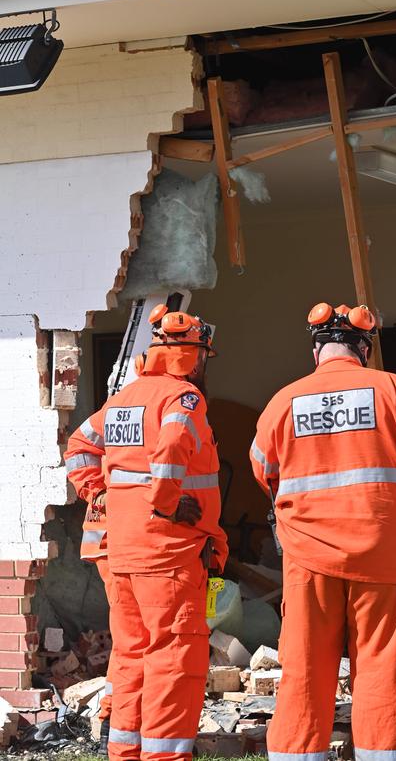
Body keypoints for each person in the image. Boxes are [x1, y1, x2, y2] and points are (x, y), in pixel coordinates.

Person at [250, 302, 396, 761]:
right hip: (385, 553)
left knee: (305, 666)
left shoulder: (284, 400)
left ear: (316, 349)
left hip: (308, 558)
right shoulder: (394, 390)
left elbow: (262, 466)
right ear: (363, 348)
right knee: (385, 665)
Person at [65, 306, 228, 761]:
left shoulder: (122, 401)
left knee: (133, 654)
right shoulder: (183, 399)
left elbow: (79, 446)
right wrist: (169, 501)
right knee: (174, 657)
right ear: (192, 358)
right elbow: (173, 445)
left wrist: (95, 492)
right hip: (167, 550)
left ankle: (125, 753)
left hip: (121, 550)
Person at [77, 459, 113, 755]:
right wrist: (95, 489)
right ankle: (113, 727)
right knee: (136, 646)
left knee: (131, 646)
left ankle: (113, 730)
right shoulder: (159, 414)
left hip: (112, 545)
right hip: (122, 547)